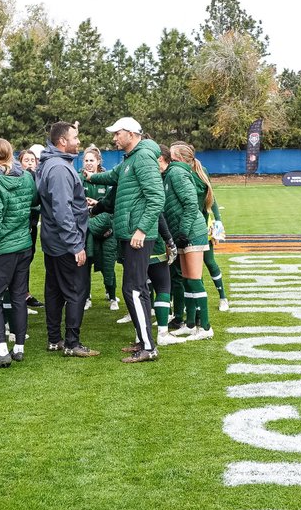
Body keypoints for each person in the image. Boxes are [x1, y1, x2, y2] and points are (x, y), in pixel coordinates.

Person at [85, 116, 165, 363]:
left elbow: (156, 197)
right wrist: (89, 177)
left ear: (131, 134)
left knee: (135, 289)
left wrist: (141, 230)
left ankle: (149, 347)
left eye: (117, 133)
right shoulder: (131, 159)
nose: (114, 138)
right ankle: (143, 340)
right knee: (131, 288)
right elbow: (111, 177)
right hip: (129, 234)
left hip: (137, 236)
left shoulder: (142, 158)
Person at [0, 138, 38, 368]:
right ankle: (19, 347)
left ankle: (2, 349)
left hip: (2, 249)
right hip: (23, 244)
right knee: (19, 296)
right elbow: (33, 203)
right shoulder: (26, 177)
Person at [36, 122, 97, 358]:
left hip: (53, 240)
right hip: (63, 242)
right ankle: (72, 343)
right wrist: (75, 244)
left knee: (53, 291)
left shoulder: (50, 163)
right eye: (75, 137)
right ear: (63, 142)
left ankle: (54, 340)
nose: (78, 141)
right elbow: (63, 209)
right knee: (75, 291)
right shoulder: (60, 168)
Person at [161, 143, 214, 340]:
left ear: (178, 157)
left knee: (194, 280)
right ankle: (190, 324)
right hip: (185, 232)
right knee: (186, 280)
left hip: (192, 232)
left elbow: (191, 204)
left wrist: (183, 232)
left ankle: (206, 327)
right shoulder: (173, 173)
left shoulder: (178, 173)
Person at [173, 142, 229, 312]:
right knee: (186, 270)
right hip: (184, 225)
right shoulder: (175, 172)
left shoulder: (200, 170)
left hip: (201, 225)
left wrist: (218, 224)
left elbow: (211, 198)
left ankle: (223, 297)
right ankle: (190, 306)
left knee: (209, 261)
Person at [80, 144, 118, 312]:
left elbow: (113, 204)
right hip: (87, 228)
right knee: (85, 263)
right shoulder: (78, 179)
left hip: (107, 228)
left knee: (108, 264)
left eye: (91, 160)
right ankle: (86, 297)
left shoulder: (107, 179)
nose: (88, 163)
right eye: (86, 160)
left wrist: (98, 205)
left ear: (98, 162)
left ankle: (112, 296)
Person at [19, 147, 43, 311]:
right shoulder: (18, 178)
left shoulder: (37, 178)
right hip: (21, 226)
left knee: (27, 260)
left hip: (32, 226)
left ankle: (25, 293)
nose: (29, 163)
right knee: (19, 262)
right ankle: (20, 296)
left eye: (32, 160)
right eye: (26, 160)